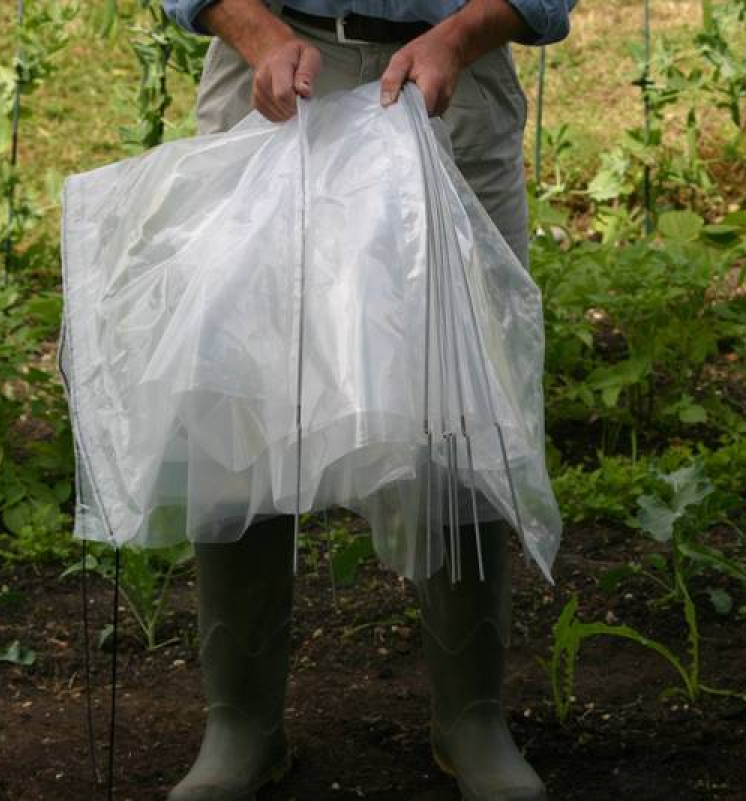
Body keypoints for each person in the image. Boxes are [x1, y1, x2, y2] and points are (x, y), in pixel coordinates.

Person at [160, 2, 574, 799]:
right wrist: (258, 34)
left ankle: (473, 720)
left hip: (451, 81)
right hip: (274, 75)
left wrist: (459, 36)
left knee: (463, 389)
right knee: (242, 389)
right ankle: (240, 725)